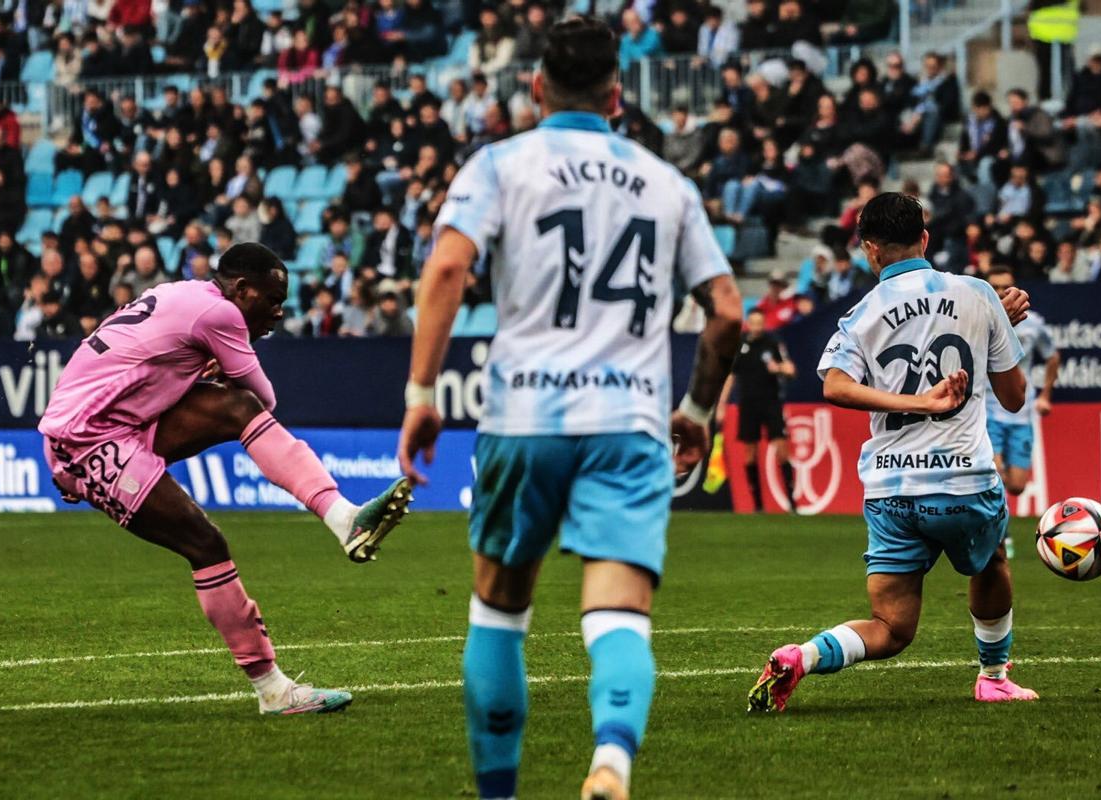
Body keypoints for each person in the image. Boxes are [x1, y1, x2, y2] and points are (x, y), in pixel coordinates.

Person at [396, 18, 743, 800]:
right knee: (619, 614)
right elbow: (726, 313)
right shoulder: (668, 183)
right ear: (618, 95)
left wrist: (421, 394)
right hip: (627, 425)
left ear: (536, 88)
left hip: (525, 416)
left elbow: (449, 265)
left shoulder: (500, 164)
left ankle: (499, 792)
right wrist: (694, 406)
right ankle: (612, 764)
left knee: (500, 609)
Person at [38, 243, 414, 715]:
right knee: (206, 544)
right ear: (241, 288)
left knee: (234, 408)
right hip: (88, 440)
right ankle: (274, 692)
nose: (277, 312)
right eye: (271, 299)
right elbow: (267, 396)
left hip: (105, 425)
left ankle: (345, 517)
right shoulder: (221, 315)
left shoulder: (185, 295)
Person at [747, 192, 1039, 714]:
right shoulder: (978, 294)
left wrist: (910, 402)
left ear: (869, 250)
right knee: (990, 562)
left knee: (891, 627)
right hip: (962, 481)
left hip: (889, 490)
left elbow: (834, 386)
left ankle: (803, 655)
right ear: (925, 238)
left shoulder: (860, 313)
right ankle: (993, 676)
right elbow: (1014, 398)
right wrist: (996, 327)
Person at [983, 266, 1060, 558]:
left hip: (1021, 414)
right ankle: (1000, 536)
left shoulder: (1033, 324)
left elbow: (1052, 356)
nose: (1002, 292)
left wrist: (1045, 395)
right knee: (994, 473)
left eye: (1007, 286)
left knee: (1015, 484)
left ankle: (997, 528)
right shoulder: (979, 321)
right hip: (988, 411)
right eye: (996, 286)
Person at [716, 308, 796, 513]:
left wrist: (777, 368)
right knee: (749, 453)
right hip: (748, 404)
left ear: (764, 323)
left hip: (771, 402)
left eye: (760, 322)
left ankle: (792, 503)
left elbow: (790, 369)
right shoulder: (740, 345)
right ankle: (757, 505)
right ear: (748, 323)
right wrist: (721, 405)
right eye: (753, 322)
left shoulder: (772, 343)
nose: (757, 326)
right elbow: (731, 376)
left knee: (781, 448)